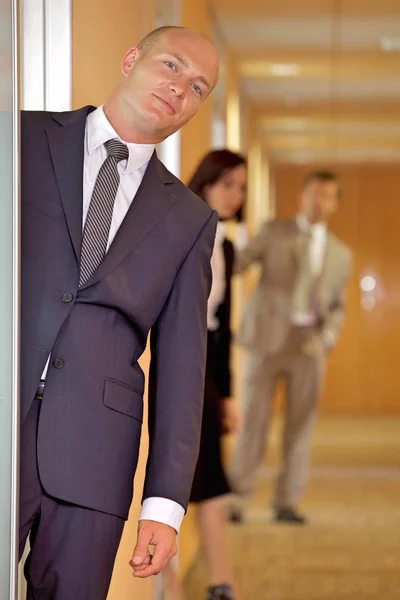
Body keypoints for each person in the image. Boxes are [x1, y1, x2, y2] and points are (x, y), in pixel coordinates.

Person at [19, 26, 219, 599]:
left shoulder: (189, 220)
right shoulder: (20, 136)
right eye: (172, 66)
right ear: (133, 59)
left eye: (198, 87)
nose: (180, 88)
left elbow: (183, 373)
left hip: (95, 455)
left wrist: (164, 505)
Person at [229, 170, 352, 525]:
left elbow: (337, 306)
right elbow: (239, 262)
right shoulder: (274, 232)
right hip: (265, 341)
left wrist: (327, 338)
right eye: (313, 194)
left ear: (335, 204)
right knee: (253, 421)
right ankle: (238, 499)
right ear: (302, 196)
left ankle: (286, 501)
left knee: (300, 427)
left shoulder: (340, 254)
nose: (319, 201)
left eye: (327, 196)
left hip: (309, 346)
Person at [163, 150, 246, 600]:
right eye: (228, 183)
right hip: (169, 365)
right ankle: (169, 584)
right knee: (170, 478)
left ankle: (221, 581)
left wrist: (228, 395)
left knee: (211, 477)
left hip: (206, 372)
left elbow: (223, 327)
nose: (235, 195)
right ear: (207, 180)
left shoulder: (227, 247)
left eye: (241, 187)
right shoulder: (178, 228)